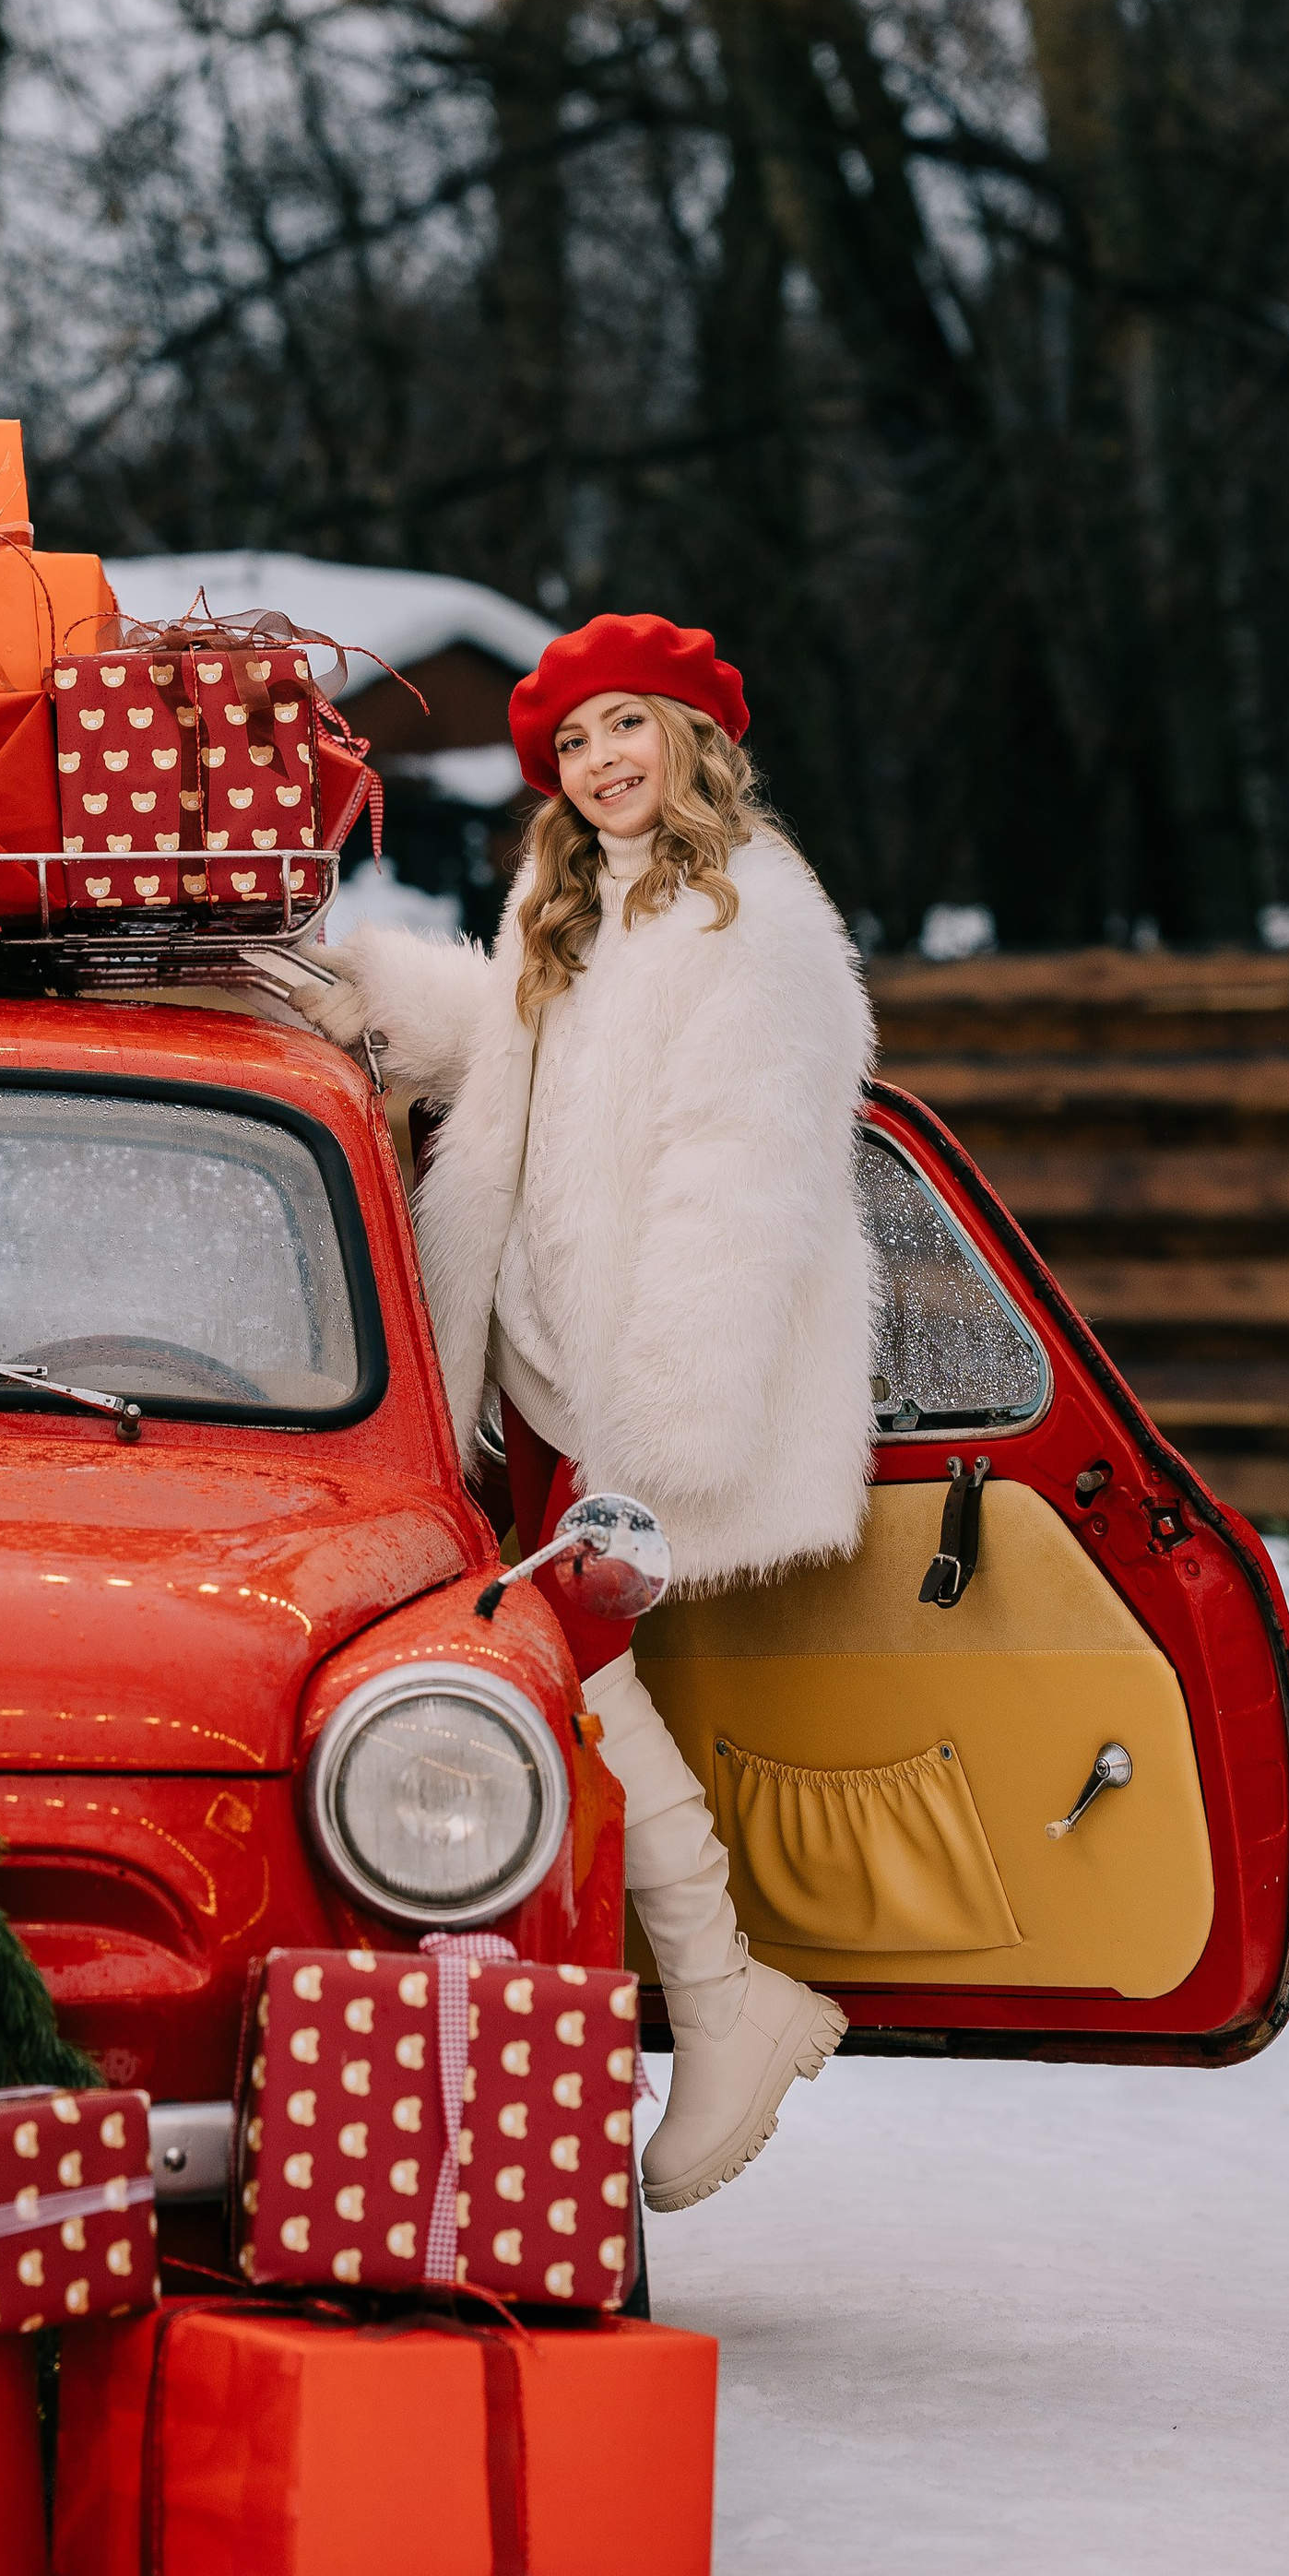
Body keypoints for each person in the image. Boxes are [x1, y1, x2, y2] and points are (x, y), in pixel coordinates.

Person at [262, 612, 876, 2212]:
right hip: (535, 1362)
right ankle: (713, 1996)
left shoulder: (762, 929)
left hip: (644, 1384)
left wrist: (666, 1420)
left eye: (630, 727)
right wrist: (359, 997)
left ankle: (726, 1990)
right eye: (576, 740)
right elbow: (517, 1058)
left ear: (696, 742)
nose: (604, 761)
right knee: (543, 1665)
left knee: (571, 1663)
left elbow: (742, 1185)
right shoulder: (572, 901)